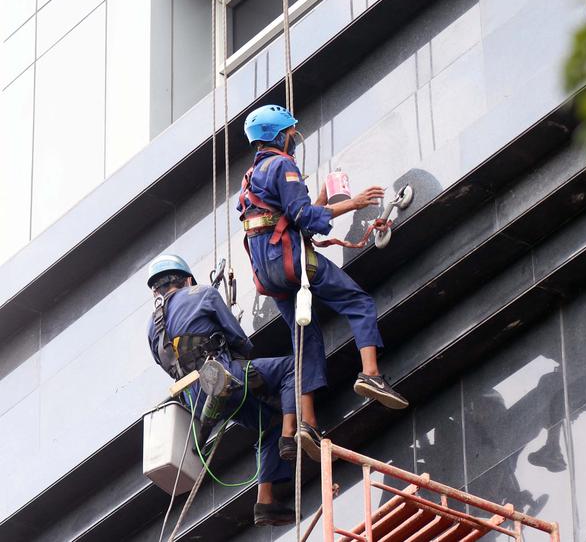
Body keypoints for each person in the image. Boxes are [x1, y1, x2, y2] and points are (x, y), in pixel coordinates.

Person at [236, 105, 408, 461]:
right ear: (280, 135)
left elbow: (290, 218)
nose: (294, 139)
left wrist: (321, 201)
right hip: (292, 264)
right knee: (357, 302)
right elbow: (301, 217)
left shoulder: (252, 175)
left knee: (306, 336)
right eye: (291, 133)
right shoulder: (283, 166)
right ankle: (371, 374)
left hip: (269, 275)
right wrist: (354, 203)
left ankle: (307, 422)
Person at [145, 253, 297, 527]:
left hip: (199, 403)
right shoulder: (203, 293)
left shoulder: (151, 328)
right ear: (187, 278)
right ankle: (290, 437)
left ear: (155, 290)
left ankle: (265, 503)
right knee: (291, 368)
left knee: (267, 422)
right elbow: (240, 341)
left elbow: (167, 364)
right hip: (224, 378)